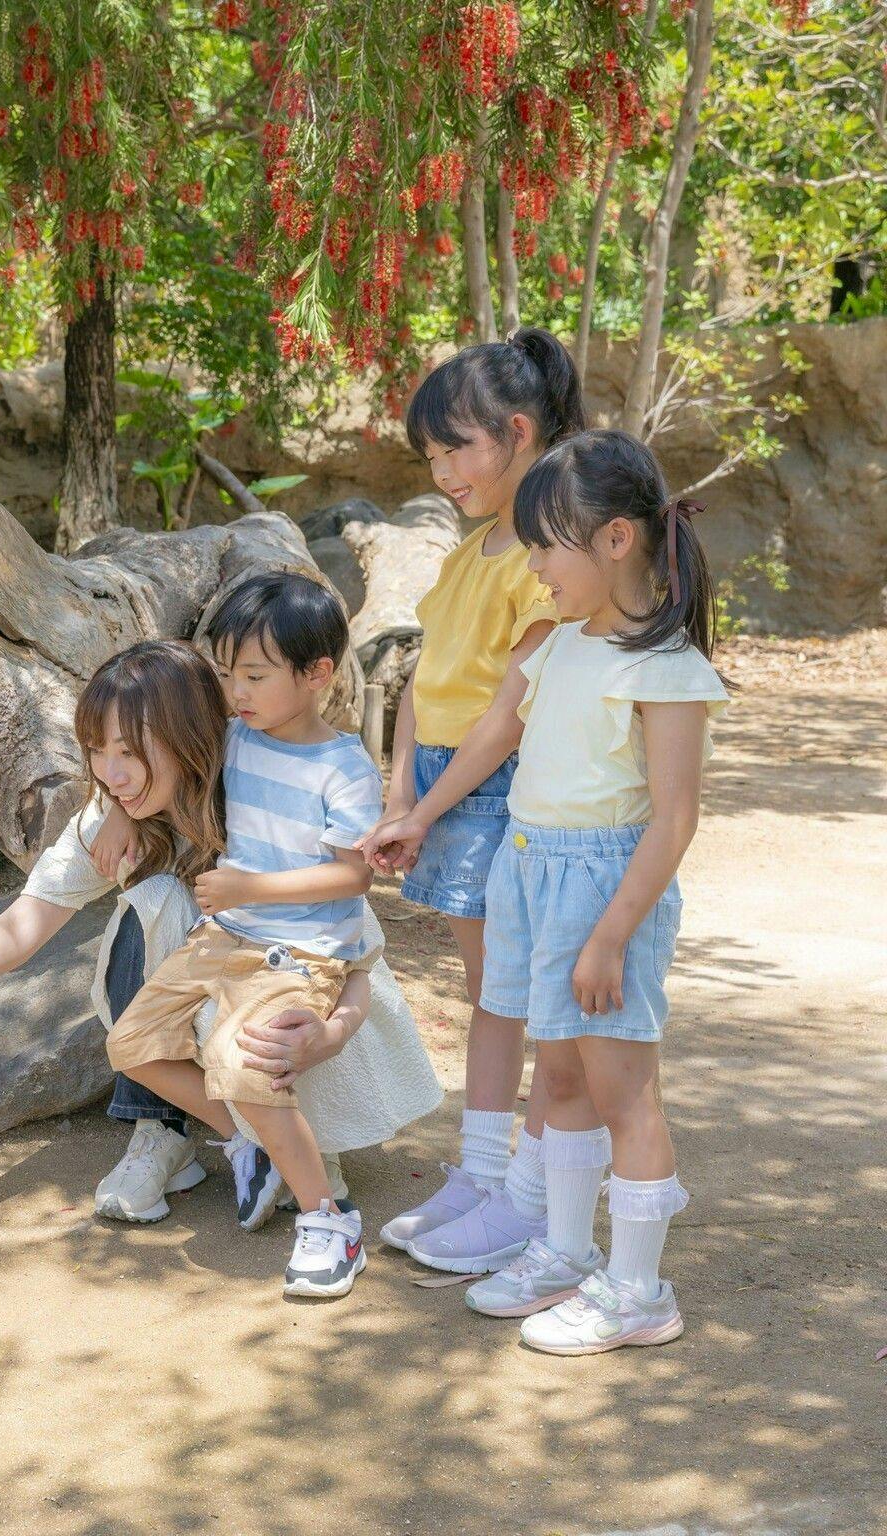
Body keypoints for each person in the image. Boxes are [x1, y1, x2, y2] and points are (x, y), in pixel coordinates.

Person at [0, 638, 440, 1281]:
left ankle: (313, 1174)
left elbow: (354, 954)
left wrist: (333, 1032)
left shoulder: (270, 796)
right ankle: (243, 1138)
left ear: (190, 738)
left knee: (229, 966)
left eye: (129, 752)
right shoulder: (112, 813)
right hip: (213, 993)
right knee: (151, 903)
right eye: (98, 751)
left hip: (306, 1006)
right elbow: (25, 924)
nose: (110, 772)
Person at [448, 429, 726, 1353]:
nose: (535, 567)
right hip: (534, 874)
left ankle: (640, 1290)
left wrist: (610, 935)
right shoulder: (563, 644)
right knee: (559, 1074)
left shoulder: (669, 671)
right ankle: (565, 1251)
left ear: (614, 540)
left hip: (604, 894)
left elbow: (673, 820)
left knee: (622, 1090)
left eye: (546, 545)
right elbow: (499, 735)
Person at [354, 329, 588, 1275]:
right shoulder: (465, 554)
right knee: (492, 996)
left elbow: (510, 714)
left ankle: (528, 1196)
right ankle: (482, 1173)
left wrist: (426, 806)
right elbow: (422, 681)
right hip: (446, 787)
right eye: (433, 455)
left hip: (497, 790)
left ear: (520, 433)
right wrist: (401, 785)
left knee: (531, 999)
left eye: (459, 448)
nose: (444, 471)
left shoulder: (543, 556)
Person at [99, 574, 386, 1298]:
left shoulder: (343, 767)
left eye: (255, 675)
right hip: (221, 940)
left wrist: (251, 888)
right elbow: (154, 756)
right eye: (227, 675)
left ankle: (328, 1220)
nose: (237, 692)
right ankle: (249, 1145)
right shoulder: (235, 736)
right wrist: (120, 811)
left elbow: (354, 877)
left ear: (316, 674)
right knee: (130, 1045)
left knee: (242, 1062)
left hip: (299, 953)